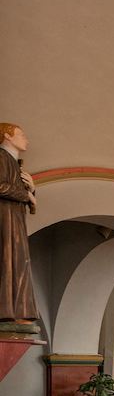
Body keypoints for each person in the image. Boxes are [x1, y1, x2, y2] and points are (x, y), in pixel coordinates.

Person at [0, 123, 39, 326]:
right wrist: (26, 195)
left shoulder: (15, 163)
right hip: (5, 218)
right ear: (7, 136)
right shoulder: (1, 157)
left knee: (19, 261)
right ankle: (8, 309)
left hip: (15, 218)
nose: (26, 140)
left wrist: (31, 190)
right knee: (8, 260)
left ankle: (18, 309)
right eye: (21, 135)